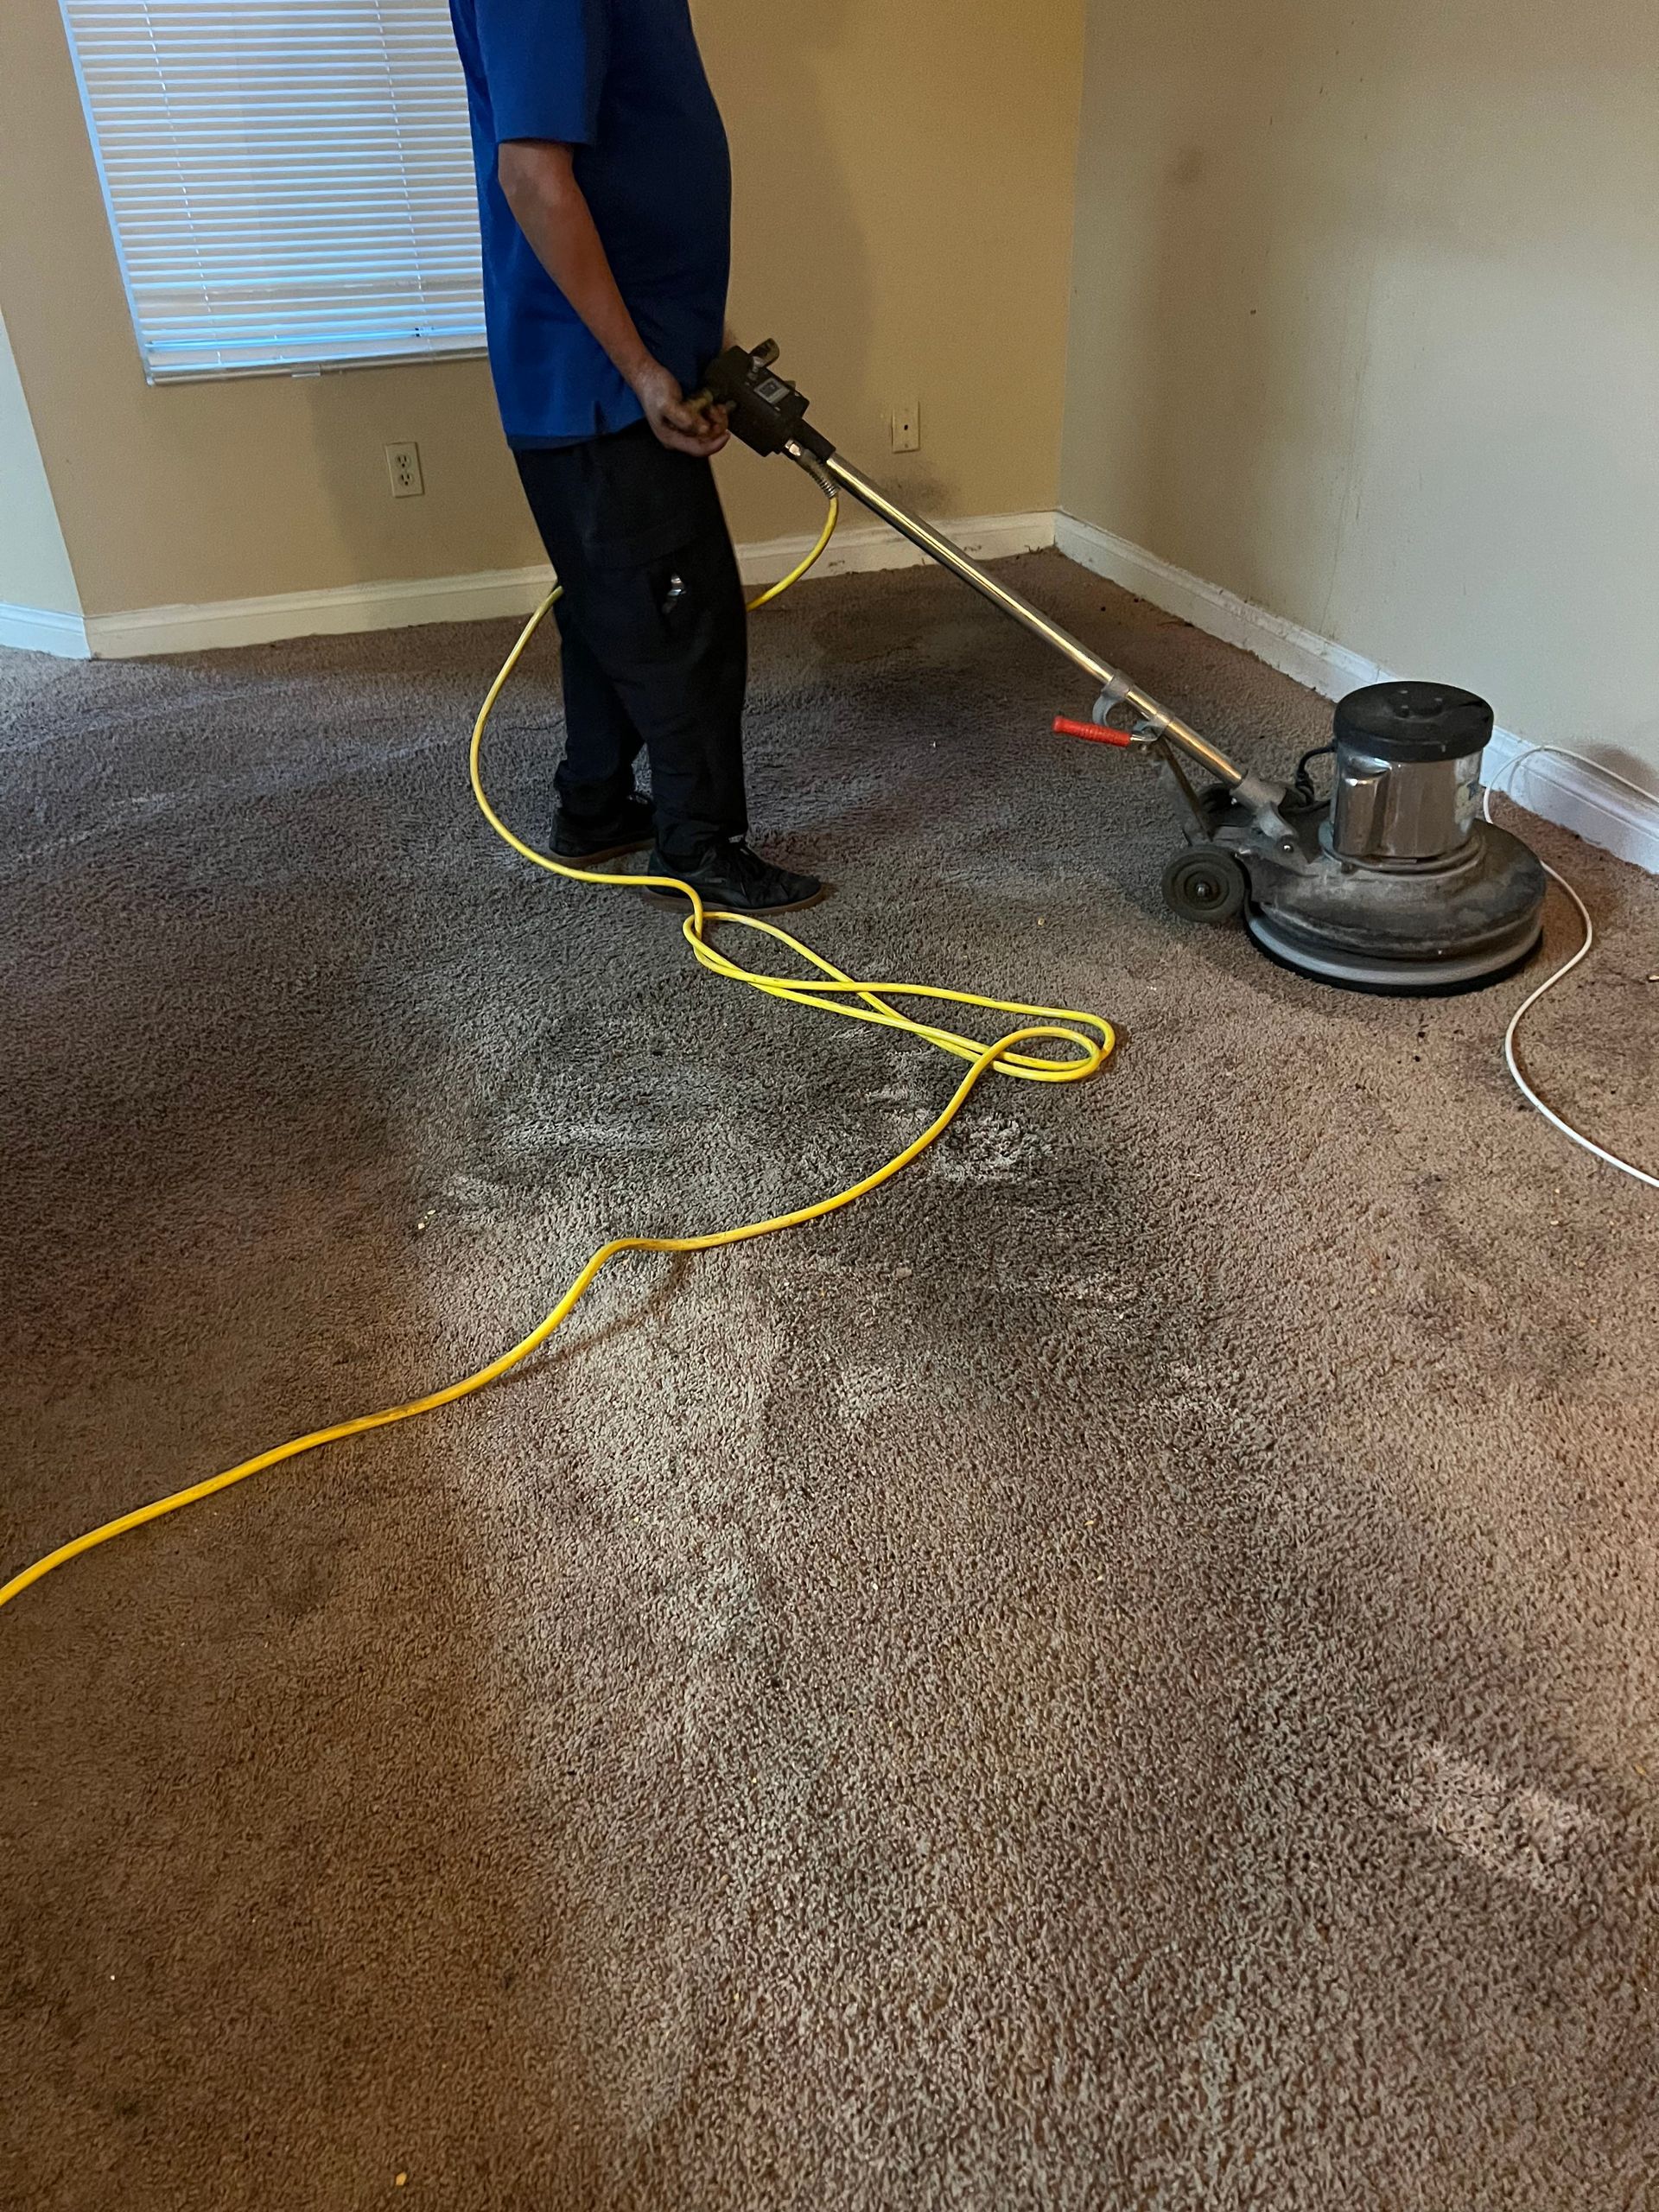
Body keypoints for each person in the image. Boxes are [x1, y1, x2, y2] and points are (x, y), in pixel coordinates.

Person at [448, 0, 823, 914]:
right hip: (596, 377)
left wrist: (697, 345)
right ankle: (700, 845)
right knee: (678, 617)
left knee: (612, 605)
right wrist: (641, 369)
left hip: (627, 358)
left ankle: (597, 803)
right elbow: (533, 177)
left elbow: (634, 163)